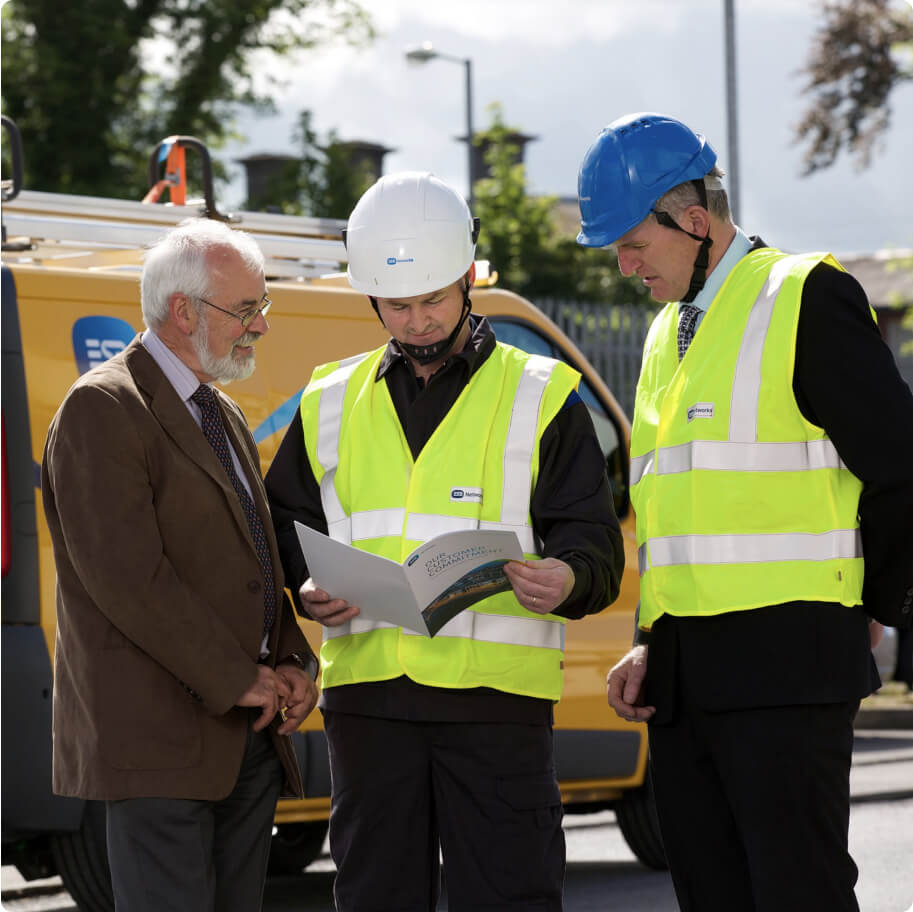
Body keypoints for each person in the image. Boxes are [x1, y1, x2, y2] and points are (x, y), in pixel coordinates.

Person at [575, 112, 913, 912]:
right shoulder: (665, 335)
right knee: (708, 896)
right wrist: (653, 642)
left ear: (693, 221)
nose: (624, 266)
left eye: (631, 244)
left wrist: (871, 608)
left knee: (798, 895)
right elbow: (676, 512)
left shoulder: (805, 296)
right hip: (686, 682)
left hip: (791, 665)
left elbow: (900, 469)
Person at [265, 171, 624, 912]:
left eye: (432, 299)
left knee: (508, 897)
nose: (418, 320)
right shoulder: (327, 400)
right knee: (375, 898)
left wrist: (566, 579)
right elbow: (281, 530)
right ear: (371, 298)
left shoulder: (543, 394)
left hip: (495, 710)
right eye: (398, 305)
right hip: (369, 710)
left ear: (468, 279)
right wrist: (303, 588)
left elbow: (594, 545)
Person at [41, 218, 320, 912]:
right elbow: (128, 580)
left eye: (263, 306)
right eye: (246, 309)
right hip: (159, 744)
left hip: (245, 736)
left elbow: (254, 556)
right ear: (183, 310)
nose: (260, 326)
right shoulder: (102, 407)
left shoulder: (218, 411)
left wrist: (292, 660)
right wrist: (237, 678)